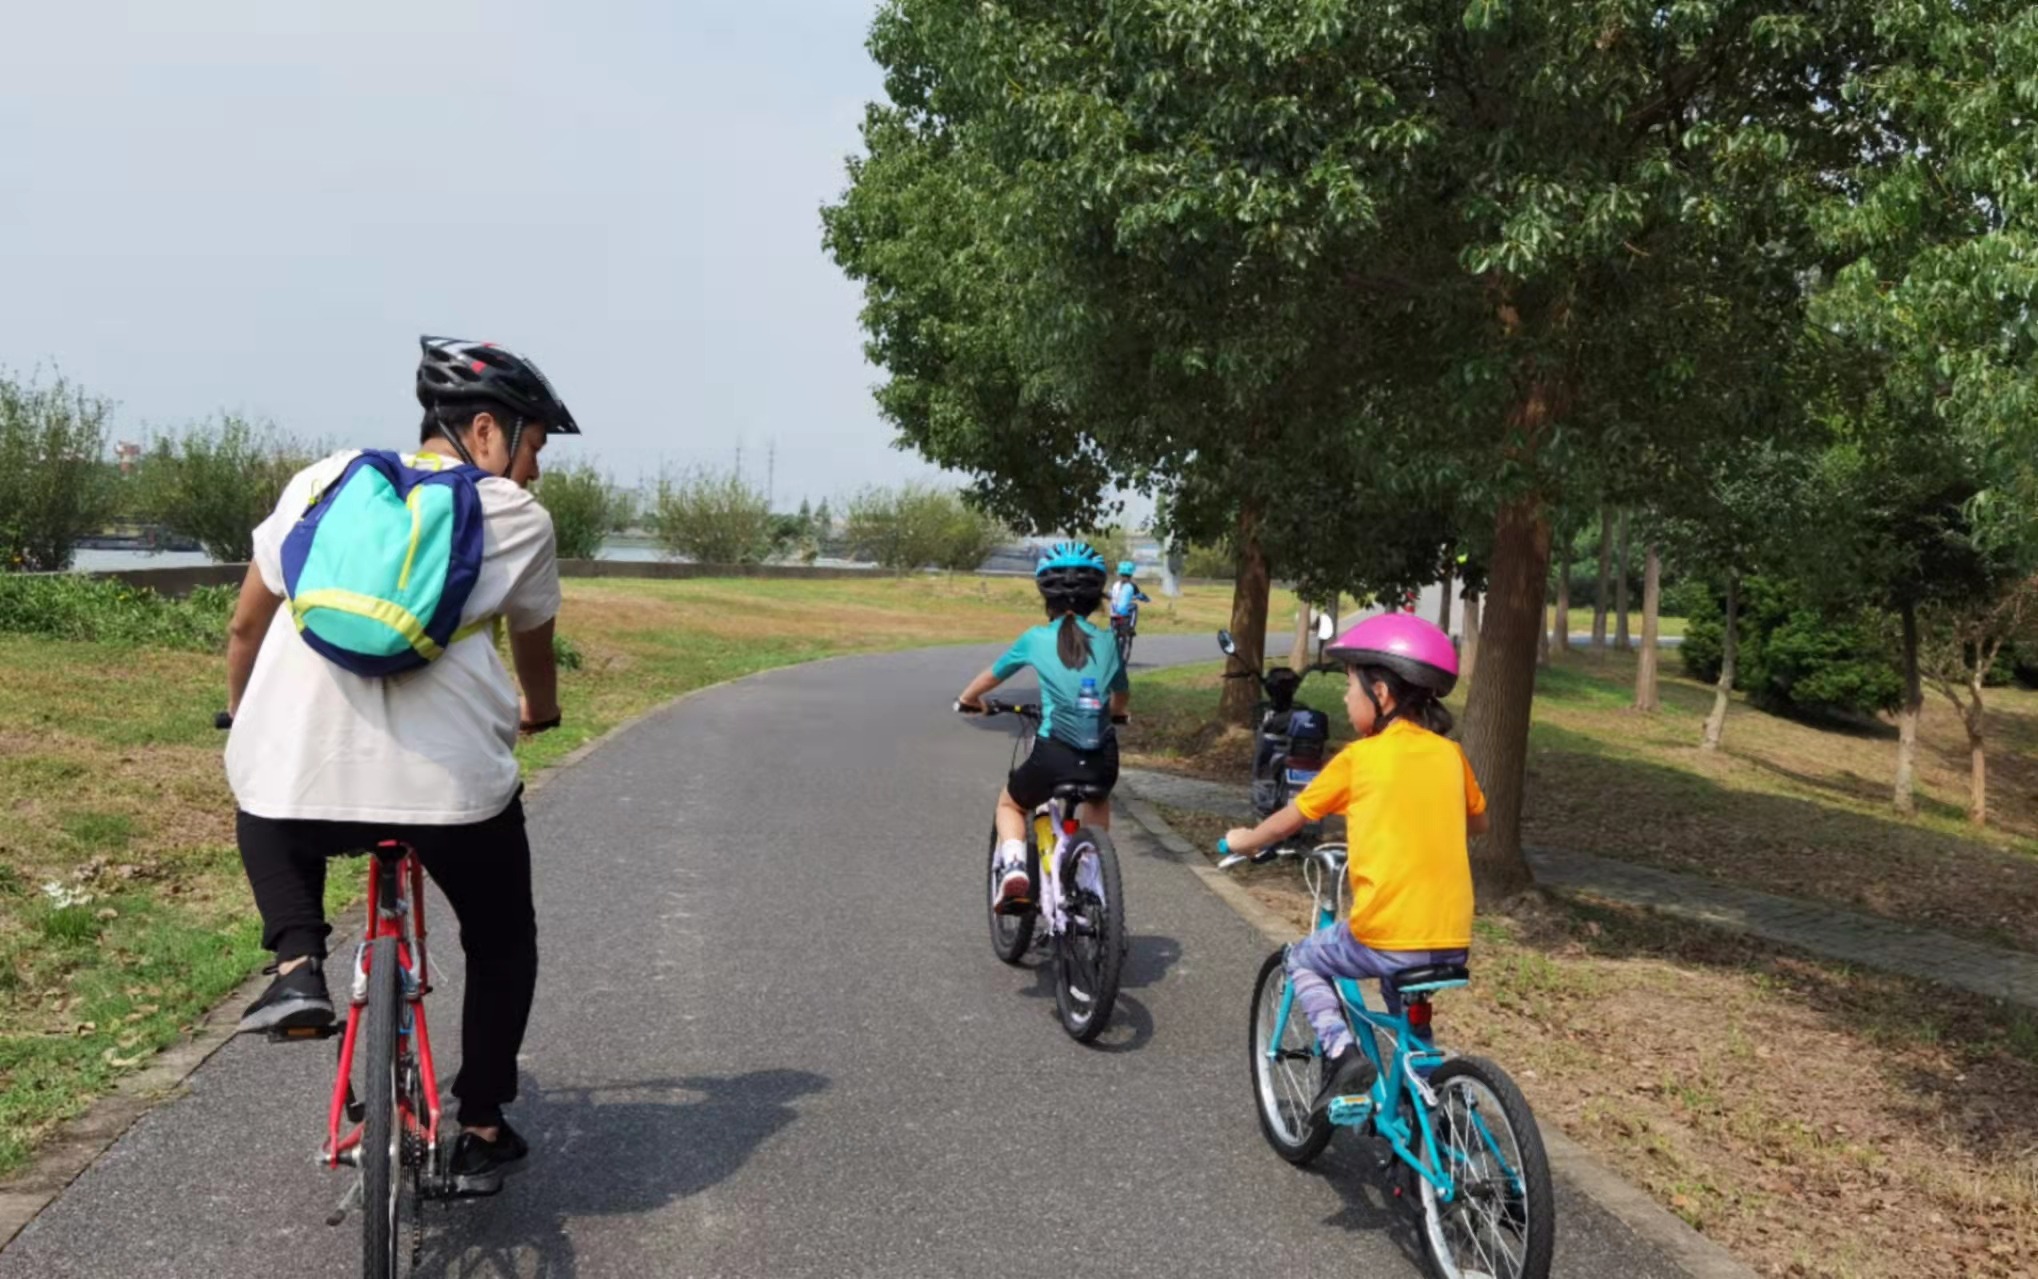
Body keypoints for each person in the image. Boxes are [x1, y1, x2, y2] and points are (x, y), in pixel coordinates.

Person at [221, 335, 578, 1193]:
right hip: (448, 794)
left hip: (297, 784)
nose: (530, 472)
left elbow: (244, 626)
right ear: (486, 429)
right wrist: (543, 709)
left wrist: (243, 717)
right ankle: (483, 1120)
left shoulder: (323, 480)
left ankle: (297, 965)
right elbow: (535, 649)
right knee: (501, 943)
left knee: (264, 793)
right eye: (532, 447)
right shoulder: (515, 517)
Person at [1221, 614, 1487, 1115]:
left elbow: (1287, 821)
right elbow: (1477, 822)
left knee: (1302, 958)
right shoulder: (1451, 756)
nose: (1345, 700)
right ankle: (1426, 1109)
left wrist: (1246, 841)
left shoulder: (1358, 759)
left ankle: (1343, 1055)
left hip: (1384, 934)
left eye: (1350, 687)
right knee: (1409, 1015)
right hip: (1450, 938)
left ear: (1381, 693)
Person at [957, 541, 1130, 910]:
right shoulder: (1109, 641)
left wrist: (970, 701)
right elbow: (1121, 696)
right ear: (1096, 596)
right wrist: (1116, 714)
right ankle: (1089, 872)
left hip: (1054, 754)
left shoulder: (1035, 638)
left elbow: (990, 678)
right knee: (1097, 796)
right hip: (1101, 757)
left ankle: (1015, 868)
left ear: (1045, 594)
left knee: (1010, 803)